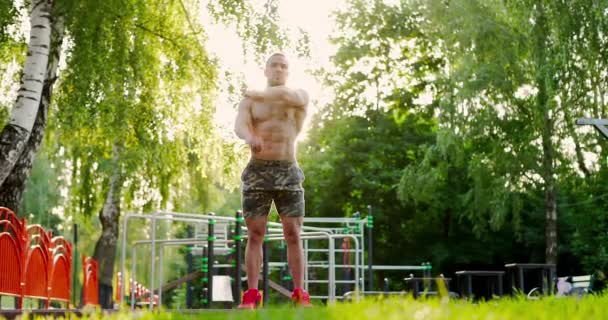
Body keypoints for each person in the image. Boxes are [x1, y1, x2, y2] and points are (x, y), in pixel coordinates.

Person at [234, 53, 311, 308]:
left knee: (293, 233)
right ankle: (252, 294)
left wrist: (254, 92)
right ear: (265, 70)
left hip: (288, 170)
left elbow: (288, 96)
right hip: (258, 170)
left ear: (288, 71)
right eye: (274, 65)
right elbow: (239, 126)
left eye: (283, 66)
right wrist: (250, 137)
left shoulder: (297, 95)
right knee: (255, 234)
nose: (278, 69)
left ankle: (300, 293)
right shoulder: (251, 101)